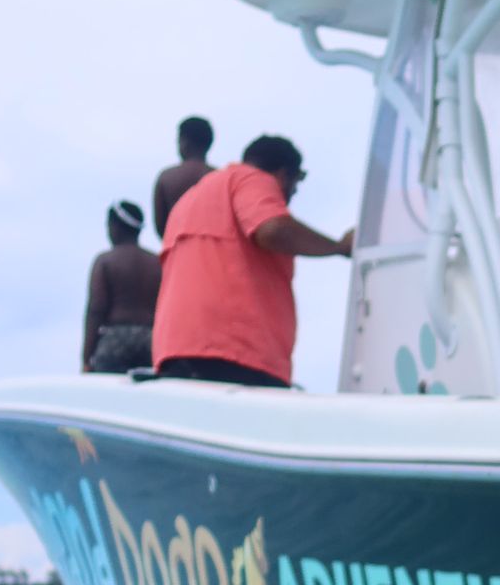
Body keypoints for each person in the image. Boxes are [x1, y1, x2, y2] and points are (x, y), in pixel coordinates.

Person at [153, 135, 353, 387]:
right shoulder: (251, 179)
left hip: (176, 353)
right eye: (296, 182)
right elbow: (272, 230)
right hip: (237, 354)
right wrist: (339, 246)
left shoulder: (189, 201)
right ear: (283, 174)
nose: (293, 193)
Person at [81, 201, 162, 373]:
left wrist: (86, 357)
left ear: (115, 226)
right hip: (152, 341)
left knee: (109, 396)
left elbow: (96, 309)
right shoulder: (157, 262)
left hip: (115, 341)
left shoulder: (105, 261)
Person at [152, 117, 215, 238]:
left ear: (184, 142)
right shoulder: (221, 176)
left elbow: (161, 228)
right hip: (214, 249)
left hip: (178, 247)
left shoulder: (166, 177)